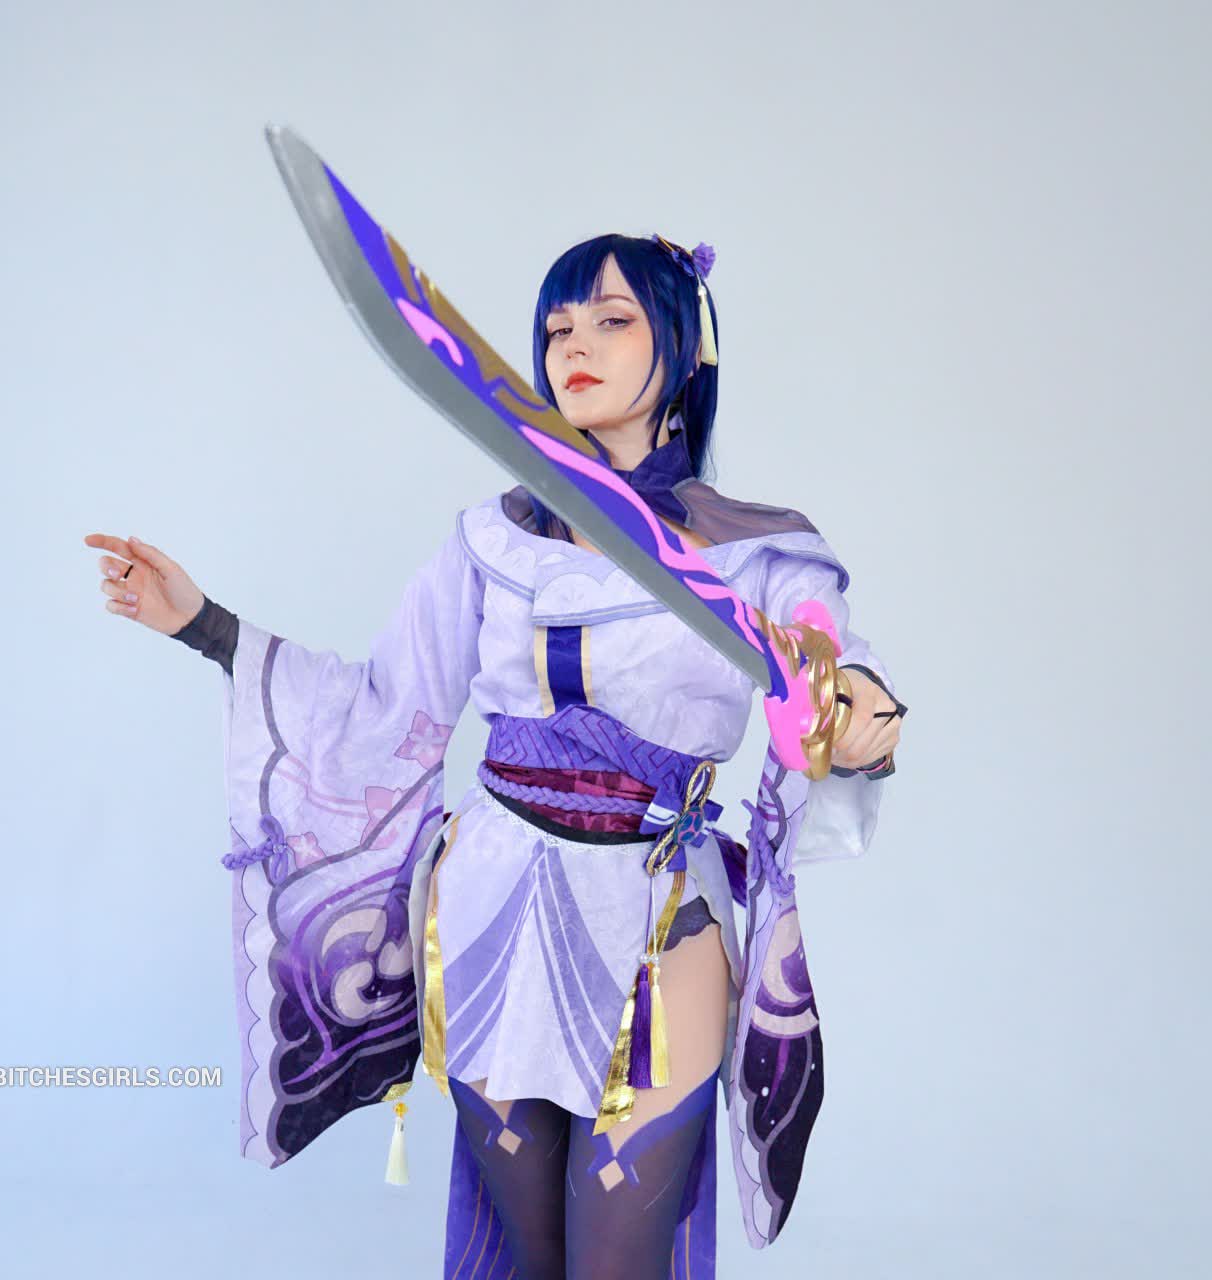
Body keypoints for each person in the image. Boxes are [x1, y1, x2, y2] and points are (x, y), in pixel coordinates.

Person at [84, 233, 906, 1279]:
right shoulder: (491, 540)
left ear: (686, 349)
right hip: (492, 910)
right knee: (532, 1257)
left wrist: (855, 711)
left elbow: (828, 668)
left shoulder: (757, 550)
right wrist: (203, 624)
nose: (575, 346)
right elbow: (385, 710)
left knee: (614, 1260)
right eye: (557, 328)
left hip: (661, 921)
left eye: (612, 321)